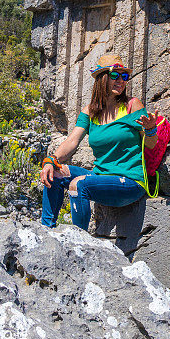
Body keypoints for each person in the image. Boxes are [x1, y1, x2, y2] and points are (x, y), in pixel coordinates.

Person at [40, 54, 158, 230]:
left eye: (124, 76)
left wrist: (150, 129)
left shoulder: (132, 105)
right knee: (55, 172)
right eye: (114, 76)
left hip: (130, 181)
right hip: (101, 178)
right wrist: (51, 159)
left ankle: (80, 243)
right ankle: (46, 230)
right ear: (102, 79)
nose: (121, 80)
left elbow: (151, 144)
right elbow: (72, 141)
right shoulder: (90, 111)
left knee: (78, 184)